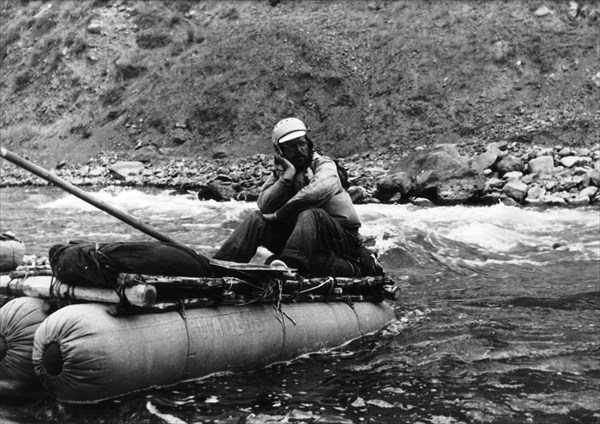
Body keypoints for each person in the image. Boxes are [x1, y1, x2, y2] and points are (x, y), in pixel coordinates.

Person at [213, 117, 382, 277]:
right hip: (305, 242)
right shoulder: (283, 172)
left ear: (308, 144)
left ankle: (287, 264)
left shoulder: (324, 165)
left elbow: (317, 192)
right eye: (291, 147)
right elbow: (264, 205)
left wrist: (281, 214)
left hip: (342, 241)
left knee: (312, 213)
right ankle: (218, 266)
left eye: (302, 144)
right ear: (280, 152)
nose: (299, 150)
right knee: (257, 220)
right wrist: (286, 178)